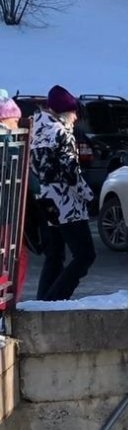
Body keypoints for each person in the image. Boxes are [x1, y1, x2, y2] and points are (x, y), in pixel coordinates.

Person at [29, 85, 96, 301]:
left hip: (44, 199)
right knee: (85, 254)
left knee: (55, 254)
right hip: (65, 203)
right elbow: (70, 172)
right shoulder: (60, 132)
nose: (76, 117)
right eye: (75, 112)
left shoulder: (36, 129)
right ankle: (55, 298)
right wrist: (88, 195)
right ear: (66, 112)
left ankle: (43, 302)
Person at [0, 90, 28, 307]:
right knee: (11, 261)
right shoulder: (8, 143)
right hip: (5, 213)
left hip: (7, 212)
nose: (17, 122)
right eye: (14, 118)